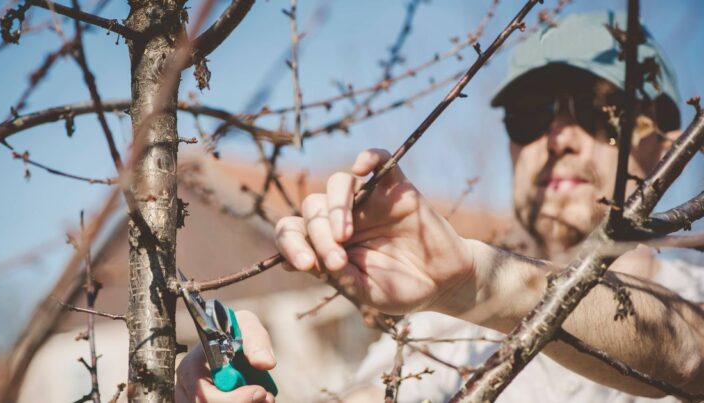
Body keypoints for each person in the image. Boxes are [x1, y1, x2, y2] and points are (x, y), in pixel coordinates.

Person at [175, 10, 704, 403]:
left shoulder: (695, 290)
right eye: (530, 114)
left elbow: (687, 350)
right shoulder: (435, 331)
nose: (558, 134)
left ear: (665, 139)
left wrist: (472, 280)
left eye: (597, 110)